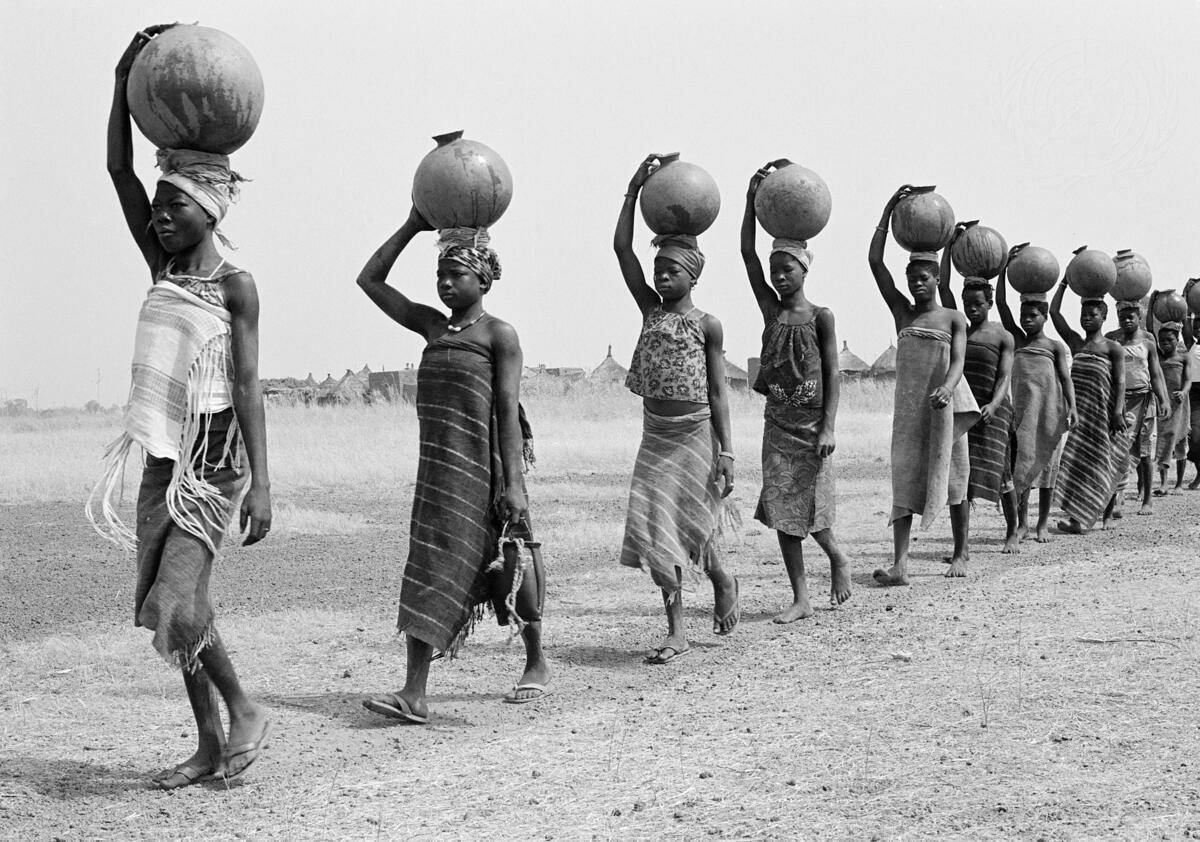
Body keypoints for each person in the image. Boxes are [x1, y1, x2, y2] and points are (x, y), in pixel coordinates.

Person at [88, 25, 273, 789]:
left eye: (175, 204)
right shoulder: (162, 265)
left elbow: (251, 386)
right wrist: (122, 79)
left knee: (180, 601)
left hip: (215, 461)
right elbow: (117, 169)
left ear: (210, 208)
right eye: (159, 205)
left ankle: (245, 709)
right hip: (165, 457)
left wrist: (261, 485)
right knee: (174, 606)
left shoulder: (236, 286)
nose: (161, 215)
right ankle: (207, 744)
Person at [358, 206, 550, 723]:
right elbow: (369, 280)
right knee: (428, 570)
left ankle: (536, 659)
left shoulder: (498, 336)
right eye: (440, 274)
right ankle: (415, 693)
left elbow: (506, 412)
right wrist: (412, 224)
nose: (445, 283)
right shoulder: (431, 327)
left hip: (486, 474)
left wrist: (514, 485)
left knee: (510, 567)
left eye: (456, 274)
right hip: (438, 477)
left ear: (483, 279)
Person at [616, 153, 739, 663]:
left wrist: (727, 453)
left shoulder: (708, 325)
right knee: (655, 527)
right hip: (656, 437)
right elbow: (621, 249)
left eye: (671, 271)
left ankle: (721, 577)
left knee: (693, 520)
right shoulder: (650, 310)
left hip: (695, 436)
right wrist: (632, 191)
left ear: (692, 276)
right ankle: (677, 630)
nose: (662, 278)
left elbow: (719, 392)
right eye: (658, 271)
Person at [741, 163, 851, 622]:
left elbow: (834, 375)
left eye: (787, 269)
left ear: (803, 269)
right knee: (781, 509)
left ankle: (838, 558)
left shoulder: (822, 317)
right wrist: (751, 200)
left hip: (811, 426)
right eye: (775, 271)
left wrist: (828, 427)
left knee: (813, 506)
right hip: (778, 424)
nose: (779, 277)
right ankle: (801, 598)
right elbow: (747, 254)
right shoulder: (772, 311)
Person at [868, 186, 979, 584]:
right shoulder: (902, 313)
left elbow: (959, 361)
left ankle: (961, 552)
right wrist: (888, 211)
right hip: (909, 412)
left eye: (924, 278)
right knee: (904, 483)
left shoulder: (953, 318)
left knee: (955, 478)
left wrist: (948, 387)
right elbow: (875, 263)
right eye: (911, 278)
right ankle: (900, 564)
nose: (917, 284)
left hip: (944, 405)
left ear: (936, 279)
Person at [937, 227, 1018, 554]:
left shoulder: (1003, 336)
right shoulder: (959, 330)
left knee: (1002, 473)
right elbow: (943, 286)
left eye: (978, 304)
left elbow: (1004, 377)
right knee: (963, 477)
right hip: (965, 411)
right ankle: (963, 546)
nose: (972, 309)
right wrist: (948, 245)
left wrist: (995, 405)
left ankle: (1012, 531)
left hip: (993, 411)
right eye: (967, 304)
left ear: (989, 303)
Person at [995, 250, 1076, 543]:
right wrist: (1003, 269)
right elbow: (1001, 305)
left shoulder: (1054, 346)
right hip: (1022, 417)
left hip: (1049, 417)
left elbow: (1065, 379)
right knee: (1022, 469)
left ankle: (1042, 523)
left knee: (1047, 475)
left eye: (1033, 316)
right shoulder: (1016, 339)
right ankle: (1023, 523)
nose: (1027, 321)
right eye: (1024, 316)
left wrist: (1073, 408)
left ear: (1044, 317)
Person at [1049, 281, 1127, 533]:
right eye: (1083, 314)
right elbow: (1054, 313)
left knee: (1105, 464)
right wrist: (1064, 284)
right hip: (1081, 419)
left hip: (1105, 416)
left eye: (1093, 314)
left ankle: (1106, 516)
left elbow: (1120, 381)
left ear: (1104, 317)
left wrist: (1117, 411)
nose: (1087, 318)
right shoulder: (1076, 343)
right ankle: (1076, 520)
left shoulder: (1112, 348)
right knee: (1079, 465)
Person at [1105, 300, 1169, 516]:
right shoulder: (1112, 340)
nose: (1126, 320)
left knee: (1144, 452)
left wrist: (1163, 399)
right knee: (1117, 449)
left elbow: (1156, 374)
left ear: (1139, 317)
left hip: (1143, 400)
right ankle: (1118, 497)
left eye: (1131, 316)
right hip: (1119, 401)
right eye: (1122, 317)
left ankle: (1147, 499)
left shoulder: (1148, 342)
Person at [1151, 322, 1191, 494]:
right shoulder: (1158, 357)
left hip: (1180, 404)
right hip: (1164, 404)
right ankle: (1164, 483)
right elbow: (1150, 331)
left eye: (1169, 340)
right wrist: (1152, 308)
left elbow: (1188, 380)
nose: (1165, 343)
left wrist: (1183, 391)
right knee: (1164, 440)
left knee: (1181, 443)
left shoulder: (1183, 358)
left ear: (1177, 339)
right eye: (1162, 341)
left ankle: (1179, 484)